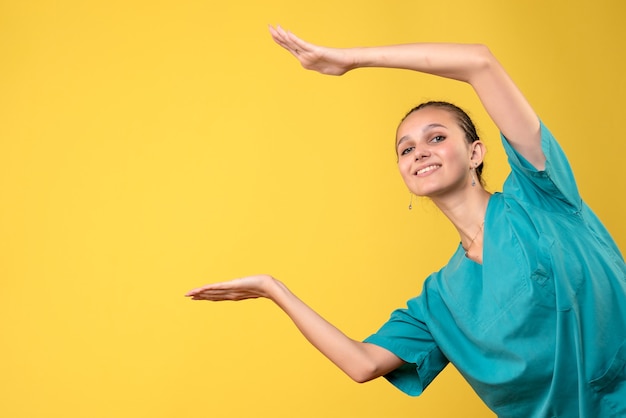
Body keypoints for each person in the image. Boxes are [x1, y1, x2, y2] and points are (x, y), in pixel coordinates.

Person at [186, 25, 626, 417]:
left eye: (436, 137)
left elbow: (479, 62)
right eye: (406, 149)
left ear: (475, 153)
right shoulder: (442, 300)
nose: (420, 153)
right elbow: (362, 364)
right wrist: (273, 289)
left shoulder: (540, 194)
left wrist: (353, 59)